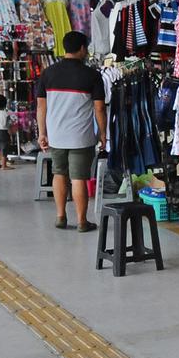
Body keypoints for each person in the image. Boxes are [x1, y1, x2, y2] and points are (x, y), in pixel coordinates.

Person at [36, 31, 106, 232]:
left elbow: (41, 106)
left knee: (58, 174)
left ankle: (61, 216)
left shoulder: (48, 73)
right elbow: (99, 108)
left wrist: (43, 133)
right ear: (82, 49)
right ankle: (82, 221)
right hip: (81, 137)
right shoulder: (92, 75)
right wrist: (103, 133)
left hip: (56, 135)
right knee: (78, 178)